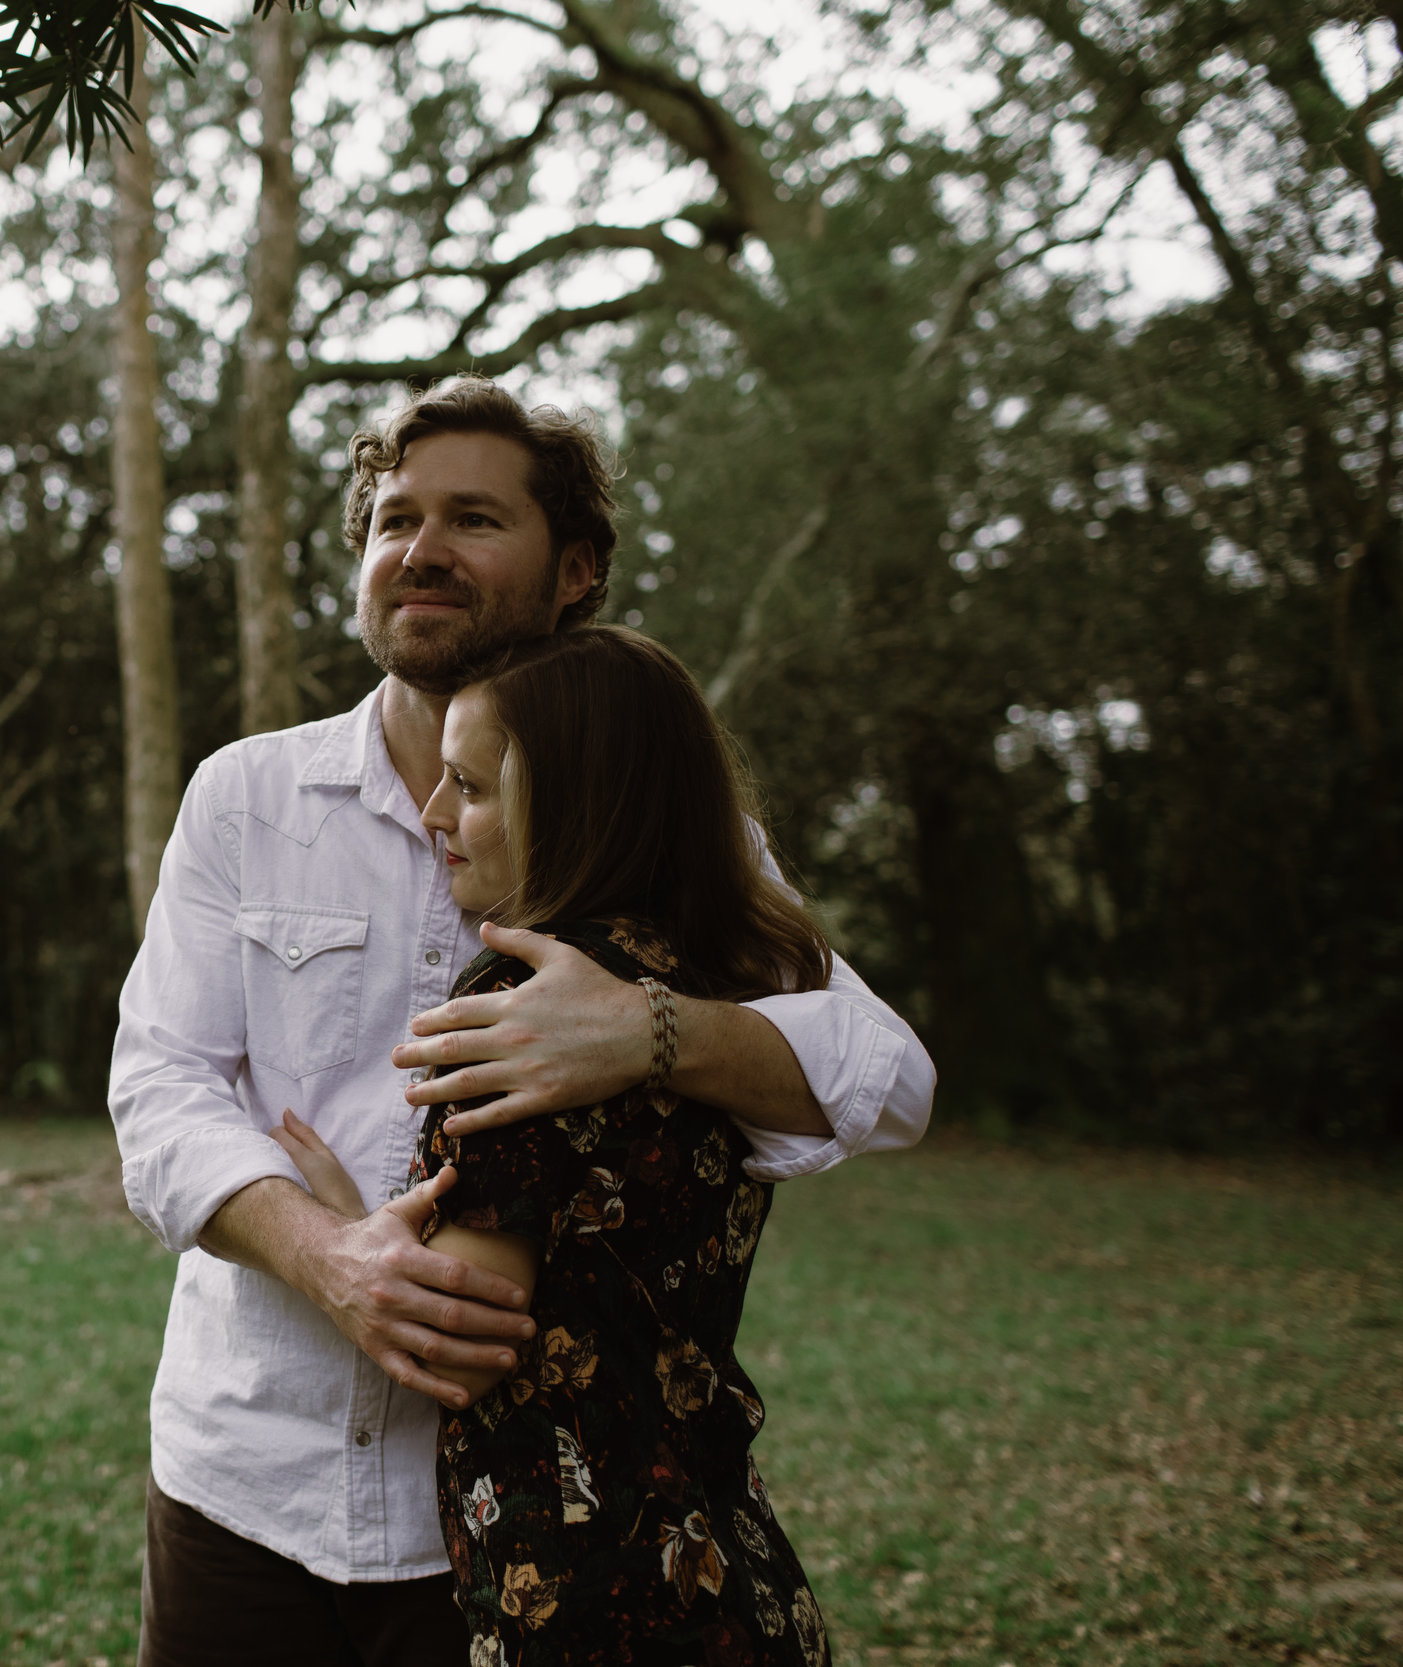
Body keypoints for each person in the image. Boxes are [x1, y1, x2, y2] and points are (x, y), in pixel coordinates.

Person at [109, 376, 933, 1666]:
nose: (419, 549)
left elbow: (888, 1077)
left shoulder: (669, 838)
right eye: (392, 518)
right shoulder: (245, 795)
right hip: (239, 1481)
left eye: (474, 519)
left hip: (513, 1544)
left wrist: (649, 1030)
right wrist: (332, 1255)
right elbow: (158, 1089)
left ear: (575, 570)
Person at [271, 626, 839, 1666]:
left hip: (589, 1605)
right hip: (732, 1567)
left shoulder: (517, 1017)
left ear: (576, 806)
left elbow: (459, 1333)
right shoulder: (718, 978)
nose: (437, 816)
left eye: (471, 788)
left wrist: (347, 1222)